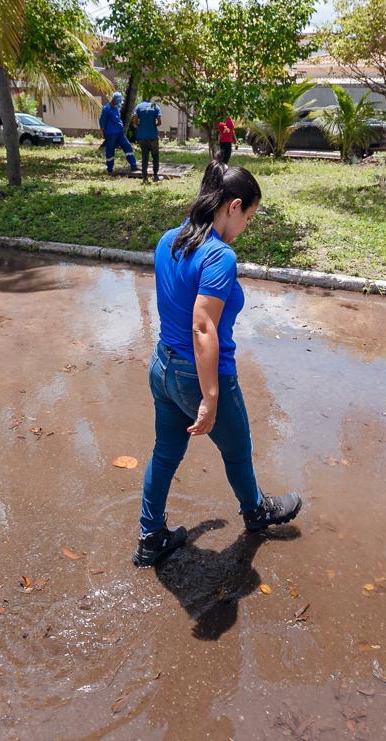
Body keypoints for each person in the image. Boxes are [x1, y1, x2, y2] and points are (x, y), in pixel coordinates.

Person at [133, 159, 302, 567]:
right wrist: (209, 397)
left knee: (165, 453)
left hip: (163, 366)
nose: (247, 224)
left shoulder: (169, 240)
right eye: (250, 215)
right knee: (238, 450)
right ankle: (257, 512)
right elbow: (203, 326)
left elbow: (177, 304)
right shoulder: (219, 256)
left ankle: (150, 537)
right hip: (200, 374)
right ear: (233, 206)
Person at [100, 91, 137, 176]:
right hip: (110, 134)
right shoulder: (106, 109)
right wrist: (103, 133)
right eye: (117, 101)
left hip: (120, 133)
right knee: (110, 150)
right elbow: (102, 122)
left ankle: (133, 165)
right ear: (113, 99)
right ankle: (110, 169)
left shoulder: (116, 107)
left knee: (127, 146)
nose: (118, 103)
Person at [132, 97, 162, 183]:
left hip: (142, 136)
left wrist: (140, 125)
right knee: (155, 156)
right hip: (153, 136)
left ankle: (144, 178)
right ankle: (155, 176)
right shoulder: (155, 106)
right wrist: (153, 125)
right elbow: (159, 122)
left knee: (144, 157)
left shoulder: (138, 106)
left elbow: (134, 120)